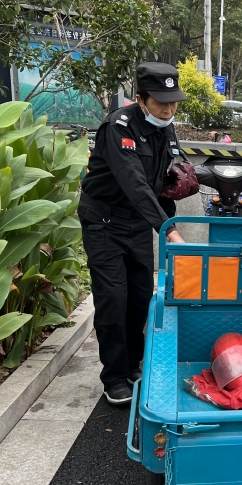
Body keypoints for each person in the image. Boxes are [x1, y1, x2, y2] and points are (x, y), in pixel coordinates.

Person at [80, 62, 187, 406]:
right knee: (113, 298)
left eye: (173, 102)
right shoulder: (118, 128)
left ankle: (132, 364)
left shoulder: (166, 128)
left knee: (141, 297)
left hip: (138, 223)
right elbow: (134, 184)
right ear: (141, 100)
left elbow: (160, 178)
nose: (168, 109)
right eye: (160, 102)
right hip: (104, 221)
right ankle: (114, 376)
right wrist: (168, 230)